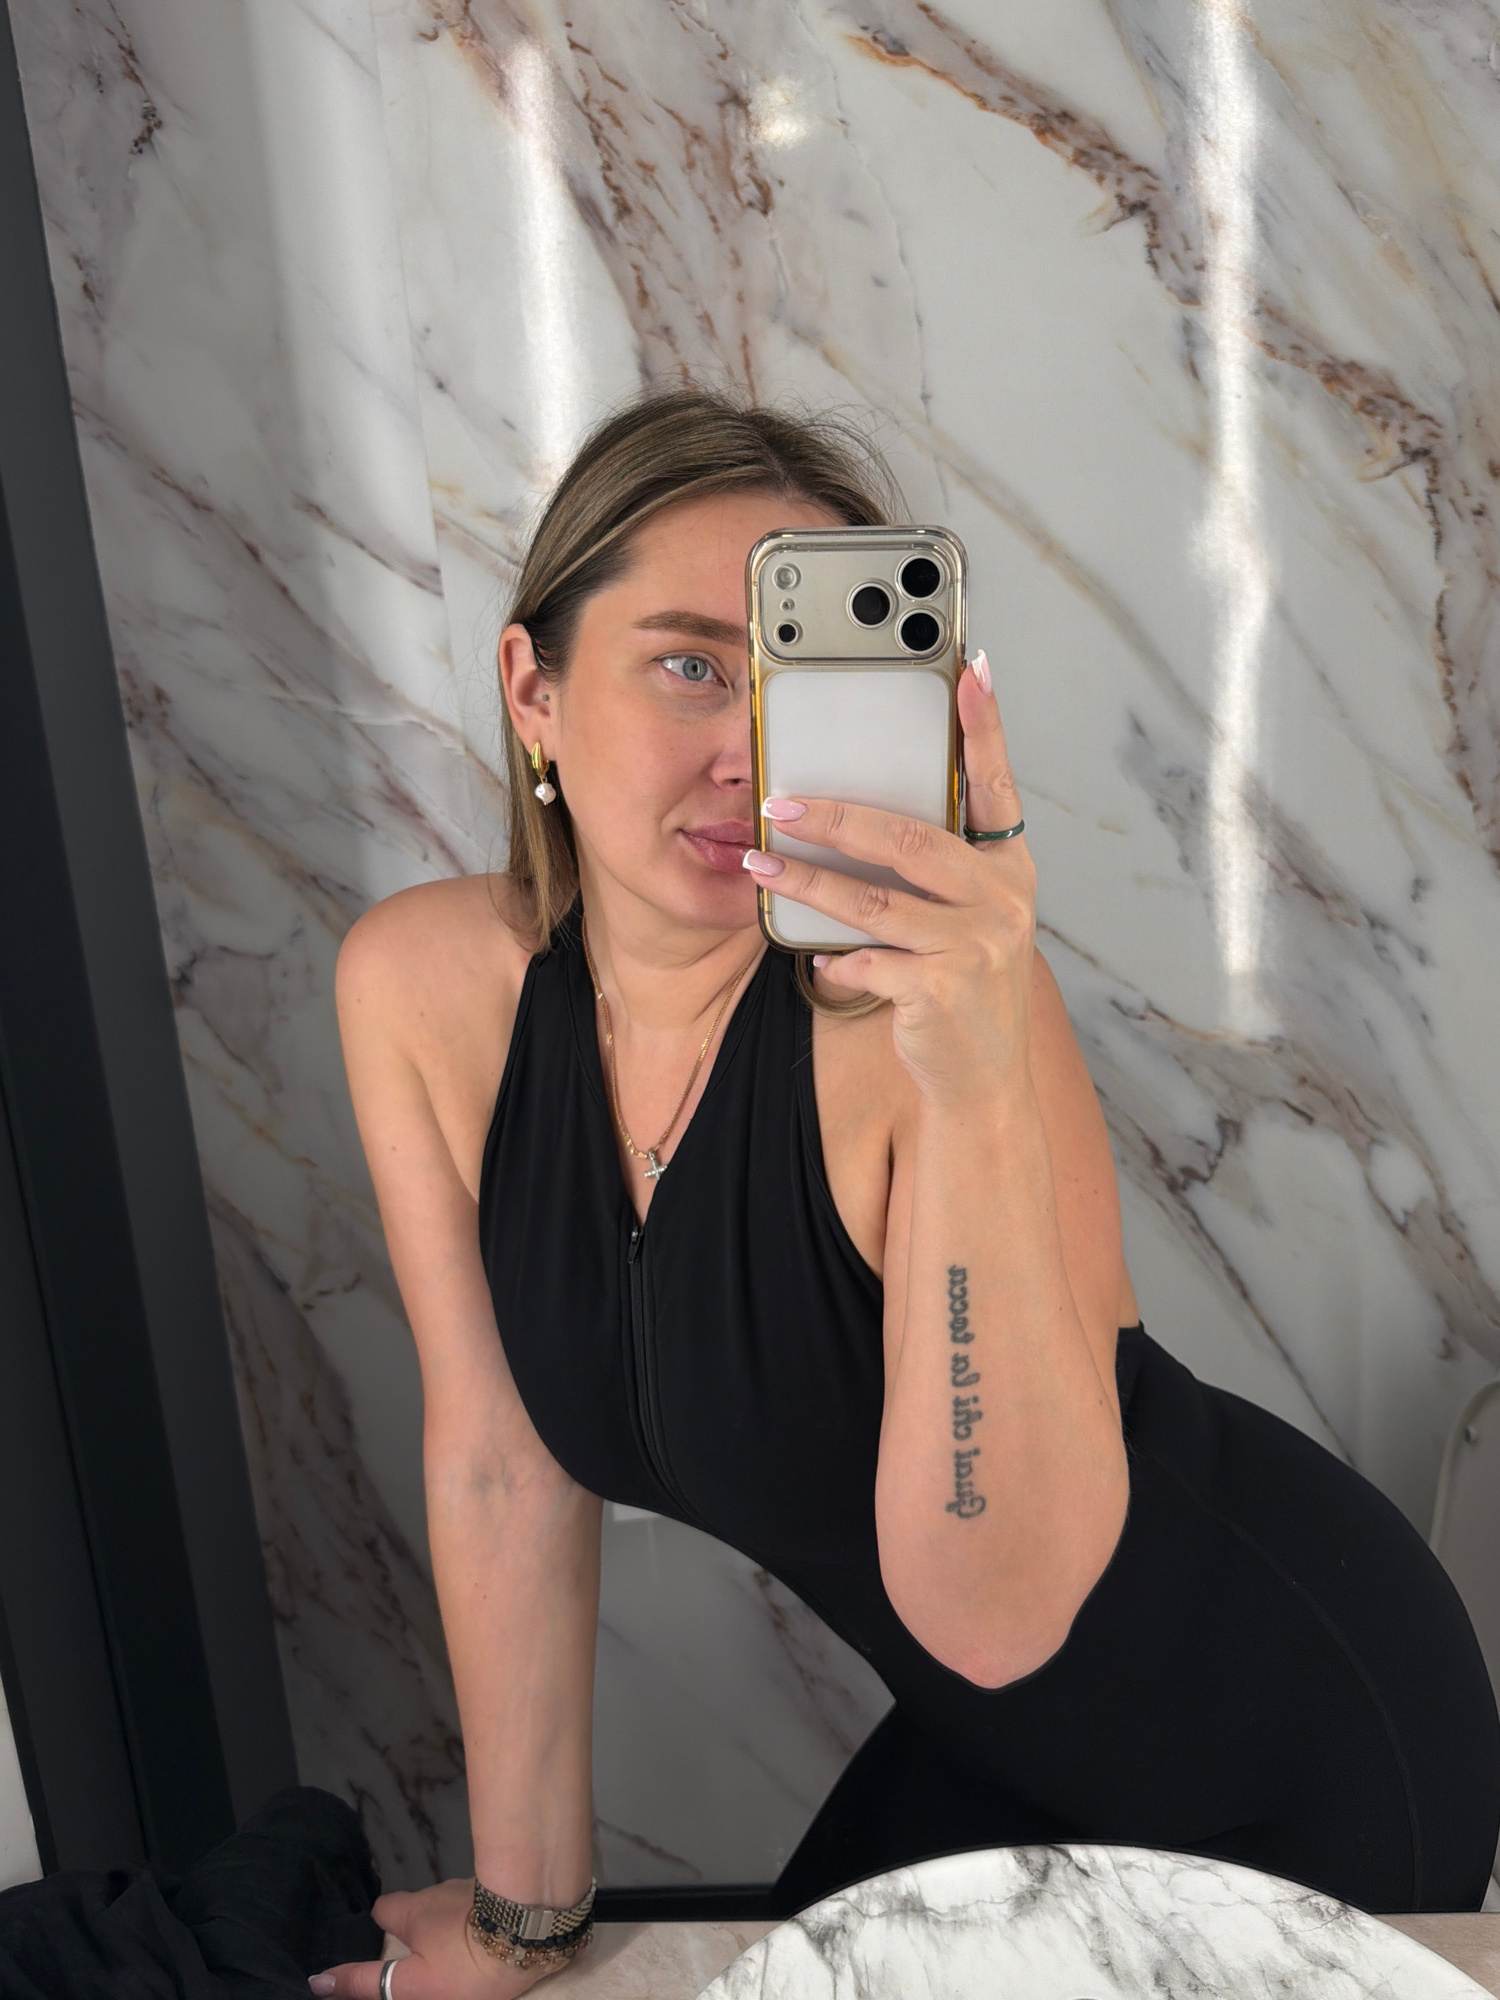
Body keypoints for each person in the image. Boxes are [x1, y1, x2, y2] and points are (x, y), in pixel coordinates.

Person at [318, 389, 1500, 1999]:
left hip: (1289, 1742)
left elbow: (998, 1610)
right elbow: (501, 1469)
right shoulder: (424, 991)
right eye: (689, 666)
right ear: (534, 688)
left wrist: (975, 1076)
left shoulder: (930, 1020)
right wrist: (527, 1921)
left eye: (801, 691)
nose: (747, 753)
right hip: (986, 1746)